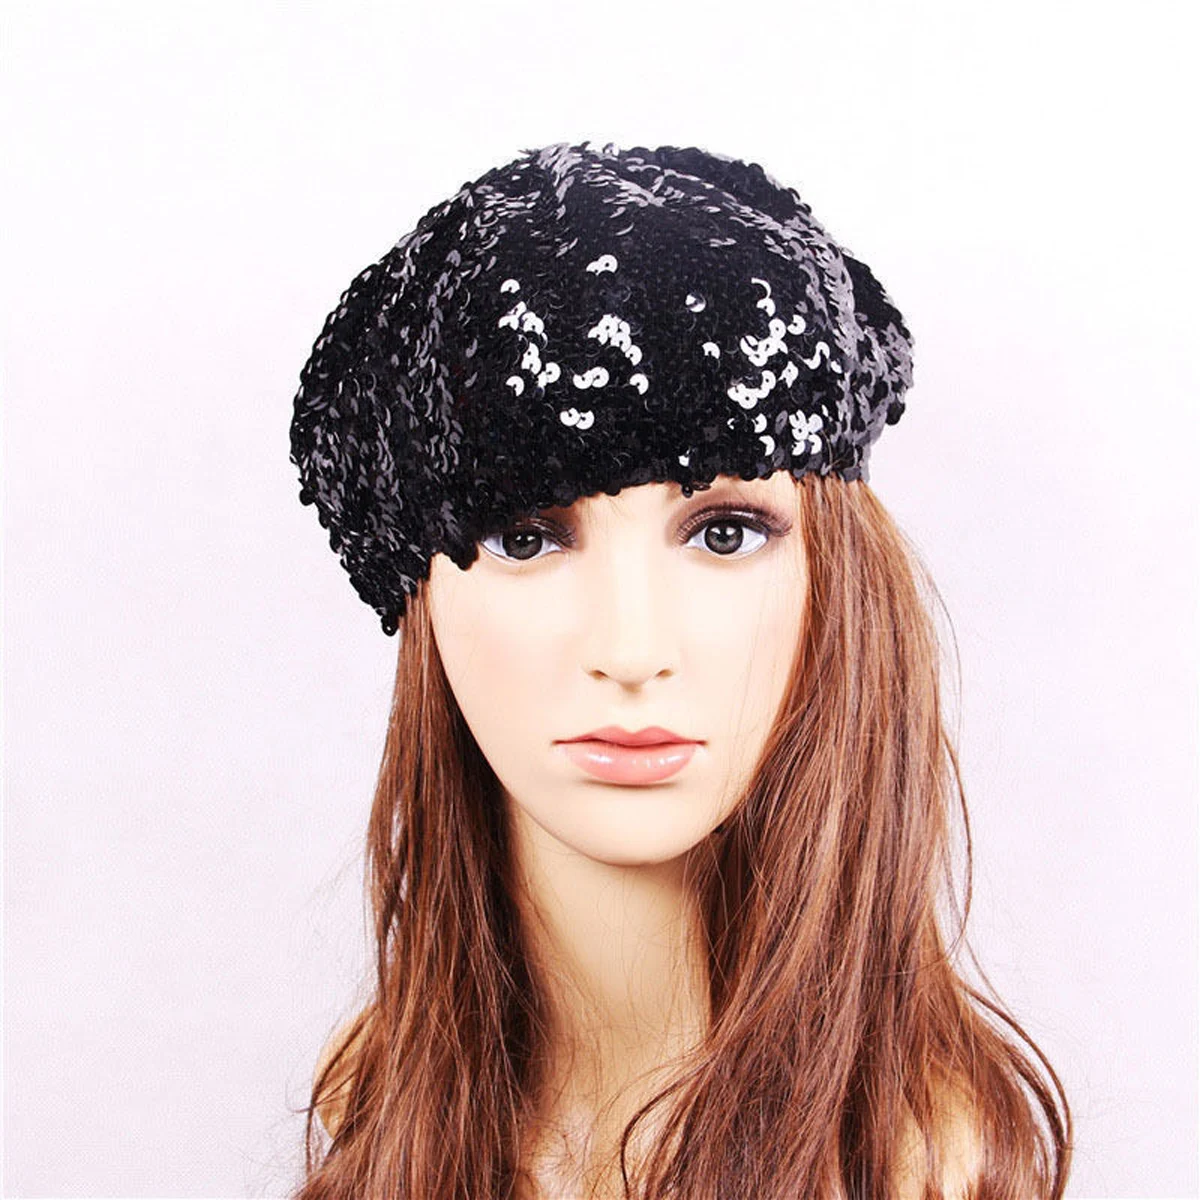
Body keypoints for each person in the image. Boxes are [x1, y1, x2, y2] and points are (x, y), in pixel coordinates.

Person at [287, 140, 1073, 1199]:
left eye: (725, 533)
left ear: (835, 581)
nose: (631, 650)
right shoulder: (378, 1109)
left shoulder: (924, 1164)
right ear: (417, 598)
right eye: (527, 536)